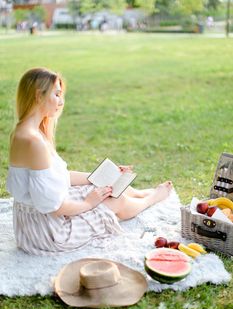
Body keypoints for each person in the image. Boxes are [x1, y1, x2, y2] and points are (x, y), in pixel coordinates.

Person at [6, 67, 173, 255]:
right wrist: (88, 203)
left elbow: (57, 178)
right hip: (48, 231)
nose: (61, 102)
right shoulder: (33, 141)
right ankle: (151, 199)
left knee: (101, 186)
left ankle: (141, 193)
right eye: (57, 95)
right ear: (38, 95)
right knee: (115, 200)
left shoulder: (26, 131)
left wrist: (103, 176)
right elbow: (54, 207)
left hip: (34, 220)